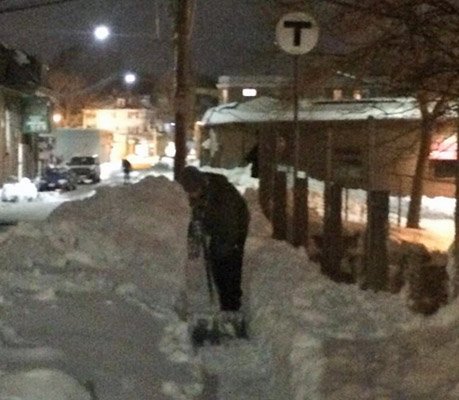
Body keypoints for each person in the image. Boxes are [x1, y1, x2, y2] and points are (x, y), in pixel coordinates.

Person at [180, 166, 250, 335]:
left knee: (230, 266)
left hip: (235, 228)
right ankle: (224, 306)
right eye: (189, 192)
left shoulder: (222, 194)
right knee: (216, 263)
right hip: (217, 227)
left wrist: (227, 248)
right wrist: (194, 238)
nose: (192, 195)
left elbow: (229, 227)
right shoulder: (198, 192)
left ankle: (232, 309)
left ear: (200, 184)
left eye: (194, 191)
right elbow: (196, 217)